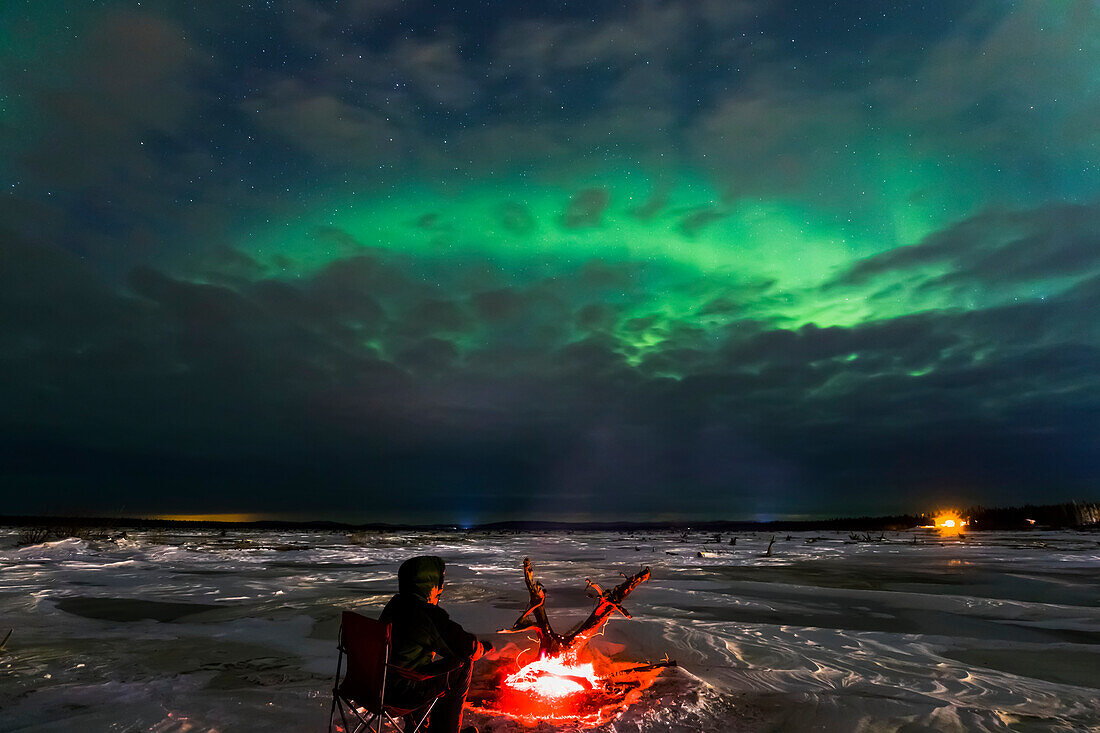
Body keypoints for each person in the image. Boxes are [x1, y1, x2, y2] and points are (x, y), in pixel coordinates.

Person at [379, 555, 492, 733]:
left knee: (423, 667)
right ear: (430, 584)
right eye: (439, 583)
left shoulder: (395, 605)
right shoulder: (425, 614)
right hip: (400, 694)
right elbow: (465, 647)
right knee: (462, 664)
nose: (440, 589)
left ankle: (419, 727)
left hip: (371, 688)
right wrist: (483, 648)